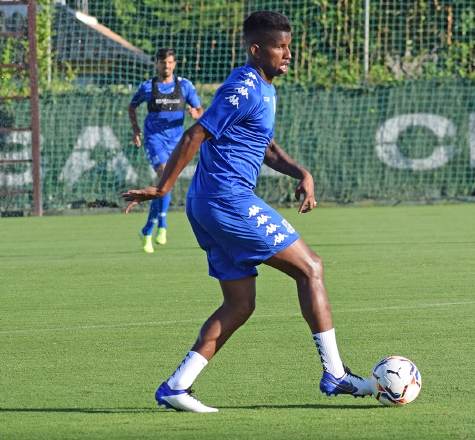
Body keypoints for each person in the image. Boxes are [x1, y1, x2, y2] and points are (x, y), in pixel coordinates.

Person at [122, 11, 373, 413]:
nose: (288, 54)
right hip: (228, 201)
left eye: (289, 46)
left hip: (209, 205)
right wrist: (162, 187)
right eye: (279, 47)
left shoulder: (264, 87)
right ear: (256, 50)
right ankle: (336, 374)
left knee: (240, 304)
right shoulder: (244, 86)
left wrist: (301, 171)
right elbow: (196, 132)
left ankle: (176, 386)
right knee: (311, 268)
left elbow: (265, 145)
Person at [128, 47, 204, 253]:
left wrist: (196, 114)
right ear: (157, 64)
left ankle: (148, 229)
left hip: (177, 144)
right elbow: (132, 106)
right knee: (164, 175)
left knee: (165, 185)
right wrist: (136, 129)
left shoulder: (184, 86)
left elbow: (199, 109)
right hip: (154, 141)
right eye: (163, 62)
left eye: (170, 62)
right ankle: (160, 225)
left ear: (174, 64)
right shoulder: (147, 87)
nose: (167, 66)